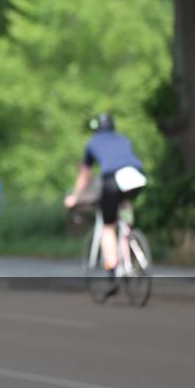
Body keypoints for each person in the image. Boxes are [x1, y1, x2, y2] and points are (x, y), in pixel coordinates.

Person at [64, 113, 147, 292]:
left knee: (108, 227)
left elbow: (85, 174)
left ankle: (113, 267)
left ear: (96, 129)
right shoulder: (123, 139)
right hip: (136, 179)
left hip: (113, 181)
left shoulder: (92, 143)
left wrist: (75, 197)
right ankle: (128, 245)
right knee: (124, 213)